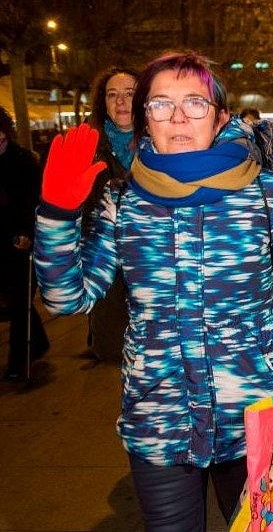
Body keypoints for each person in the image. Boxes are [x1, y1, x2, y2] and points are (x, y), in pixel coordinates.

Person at [32, 51, 273, 531]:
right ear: (145, 120)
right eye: (162, 105)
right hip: (159, 415)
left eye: (195, 103)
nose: (179, 117)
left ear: (220, 116)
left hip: (253, 408)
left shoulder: (264, 191)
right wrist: (57, 217)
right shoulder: (123, 199)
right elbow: (68, 298)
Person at [82, 66, 139, 364]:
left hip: (154, 268)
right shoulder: (89, 148)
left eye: (129, 94)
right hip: (108, 271)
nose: (121, 102)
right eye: (112, 95)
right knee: (115, 351)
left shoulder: (165, 142)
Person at [0, 106, 49, 381]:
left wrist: (27, 232)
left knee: (20, 301)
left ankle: (18, 360)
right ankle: (38, 341)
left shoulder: (23, 161)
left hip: (20, 240)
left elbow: (33, 201)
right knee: (15, 302)